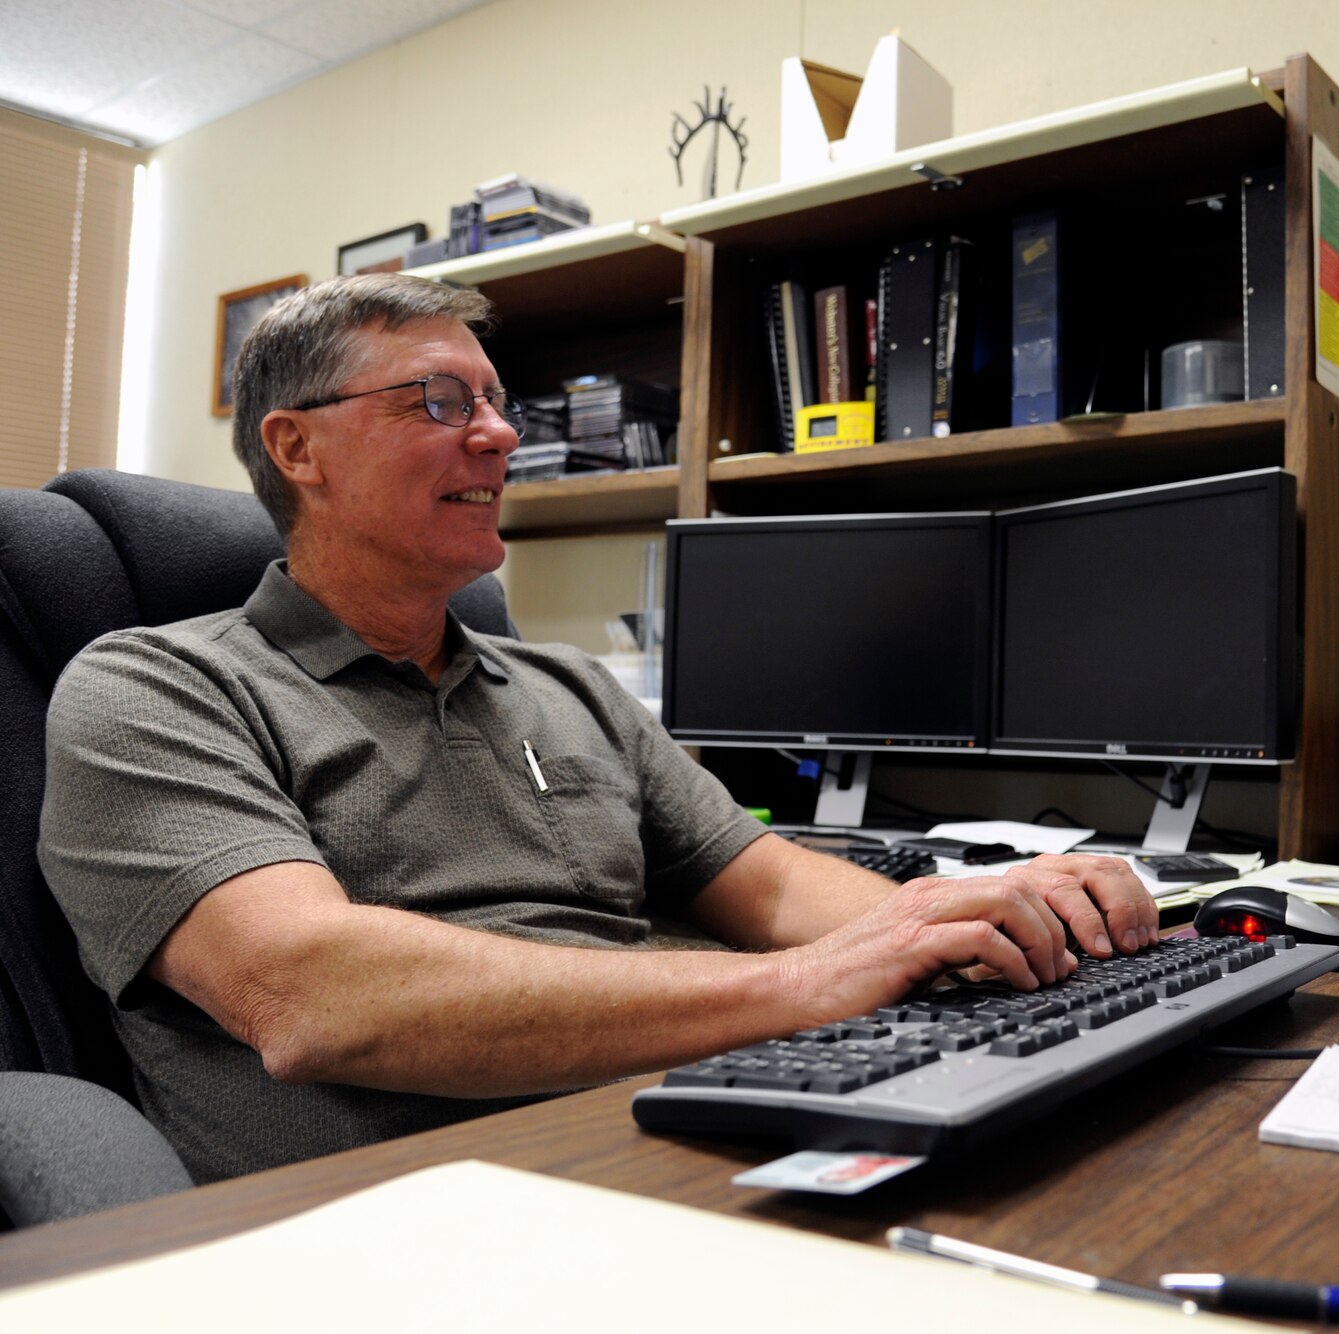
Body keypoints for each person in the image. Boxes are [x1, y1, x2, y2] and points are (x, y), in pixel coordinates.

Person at [38, 274, 1157, 1183]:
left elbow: (764, 881)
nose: (495, 439)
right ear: (296, 448)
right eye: (439, 401)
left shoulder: (566, 685)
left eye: (494, 405)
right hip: (437, 1205)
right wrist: (808, 984)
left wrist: (959, 922)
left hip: (706, 1118)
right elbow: (311, 993)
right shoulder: (154, 686)